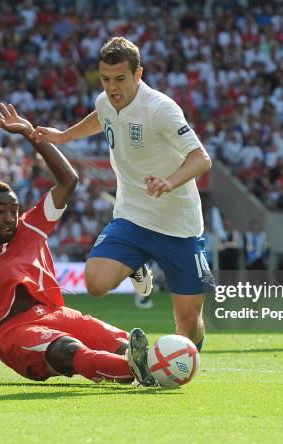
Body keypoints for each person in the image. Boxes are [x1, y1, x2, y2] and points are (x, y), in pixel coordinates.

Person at [0, 103, 157, 386]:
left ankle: (147, 367)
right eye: (0, 210)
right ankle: (135, 370)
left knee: (122, 342)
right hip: (15, 332)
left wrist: (31, 134)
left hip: (58, 315)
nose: (9, 217)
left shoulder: (31, 227)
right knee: (69, 351)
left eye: (13, 209)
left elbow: (68, 181)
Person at [31, 37, 213, 350]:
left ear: (138, 75)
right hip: (133, 215)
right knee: (96, 283)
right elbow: (100, 118)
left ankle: (182, 361)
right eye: (105, 79)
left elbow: (201, 158)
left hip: (178, 225)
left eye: (120, 79)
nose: (112, 87)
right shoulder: (105, 101)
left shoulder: (161, 109)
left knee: (188, 324)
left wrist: (169, 181)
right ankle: (136, 266)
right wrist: (64, 136)